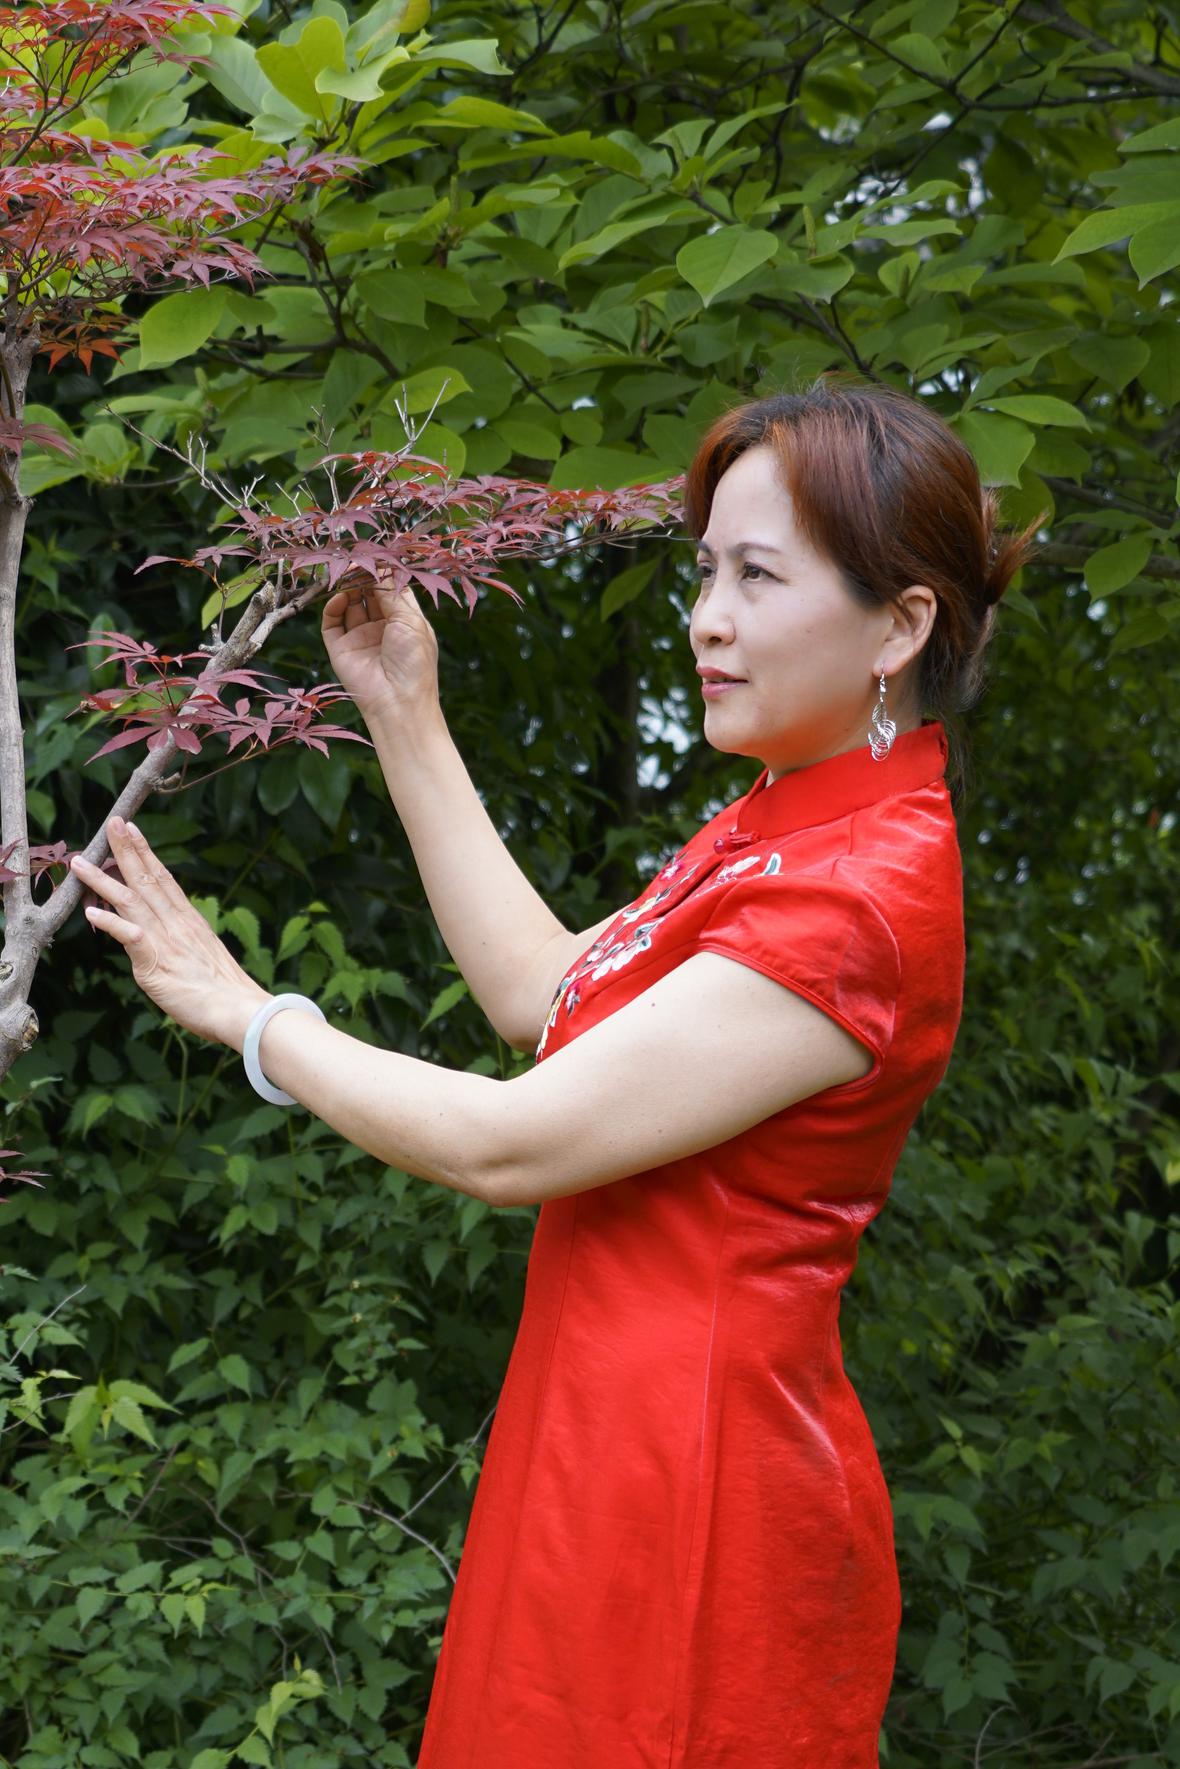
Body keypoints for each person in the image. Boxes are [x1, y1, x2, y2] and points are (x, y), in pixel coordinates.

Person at [71, 376, 1041, 1768]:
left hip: (696, 1481)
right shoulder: (784, 824)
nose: (707, 618)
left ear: (901, 624)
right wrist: (404, 708)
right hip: (606, 1428)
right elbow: (545, 991)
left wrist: (251, 1017)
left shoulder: (858, 893)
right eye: (705, 571)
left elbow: (509, 1143)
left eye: (759, 576)